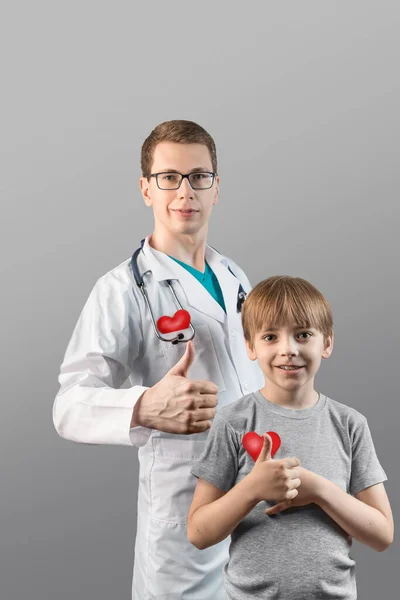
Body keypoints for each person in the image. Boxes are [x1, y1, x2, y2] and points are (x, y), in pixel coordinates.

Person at [52, 120, 264, 599]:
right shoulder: (122, 289)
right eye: (169, 177)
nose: (184, 191)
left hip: (255, 504)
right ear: (146, 189)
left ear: (216, 188)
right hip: (184, 516)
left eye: (198, 176)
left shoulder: (234, 275)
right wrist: (145, 407)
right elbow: (67, 405)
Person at [188, 275, 394, 600]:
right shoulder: (232, 422)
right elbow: (198, 532)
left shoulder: (350, 424)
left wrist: (319, 491)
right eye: (270, 336)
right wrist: (252, 489)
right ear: (250, 347)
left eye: (303, 335)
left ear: (326, 343)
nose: (288, 349)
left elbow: (382, 535)